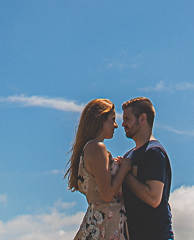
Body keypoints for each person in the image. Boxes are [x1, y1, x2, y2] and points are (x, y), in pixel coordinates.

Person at [68, 98, 132, 240]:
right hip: (105, 226)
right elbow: (107, 194)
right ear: (101, 120)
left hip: (97, 224)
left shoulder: (88, 149)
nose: (116, 125)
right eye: (112, 119)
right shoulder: (97, 147)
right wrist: (124, 168)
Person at [120, 97, 173, 240]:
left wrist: (124, 173)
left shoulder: (154, 152)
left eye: (127, 119)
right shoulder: (128, 156)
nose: (123, 124)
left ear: (142, 119)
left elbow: (154, 198)